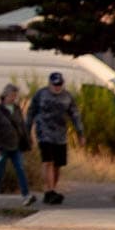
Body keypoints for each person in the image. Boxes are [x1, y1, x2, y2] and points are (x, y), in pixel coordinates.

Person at [27, 71, 85, 204]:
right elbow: (31, 112)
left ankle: (51, 190)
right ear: (49, 84)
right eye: (55, 85)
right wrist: (27, 130)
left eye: (59, 84)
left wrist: (80, 133)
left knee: (58, 164)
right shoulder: (41, 94)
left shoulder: (67, 97)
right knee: (48, 162)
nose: (57, 87)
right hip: (44, 133)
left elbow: (75, 115)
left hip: (60, 135)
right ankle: (50, 190)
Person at [0, 83, 31, 205]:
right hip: (2, 148)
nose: (13, 98)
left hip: (16, 146)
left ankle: (26, 195)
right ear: (5, 95)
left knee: (20, 169)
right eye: (12, 95)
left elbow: (22, 126)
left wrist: (27, 142)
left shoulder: (17, 109)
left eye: (15, 96)